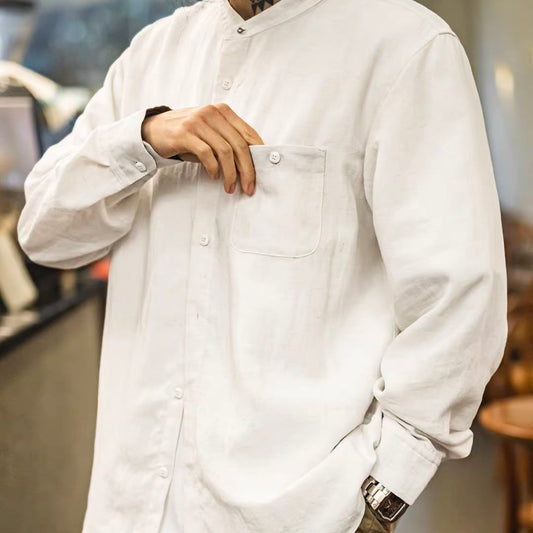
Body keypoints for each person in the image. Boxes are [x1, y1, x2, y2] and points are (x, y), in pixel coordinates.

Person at [16, 0, 508, 532]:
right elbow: (44, 233)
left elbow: (460, 300)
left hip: (296, 514)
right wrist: (144, 137)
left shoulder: (404, 46)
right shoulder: (151, 55)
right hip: (128, 507)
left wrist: (383, 494)